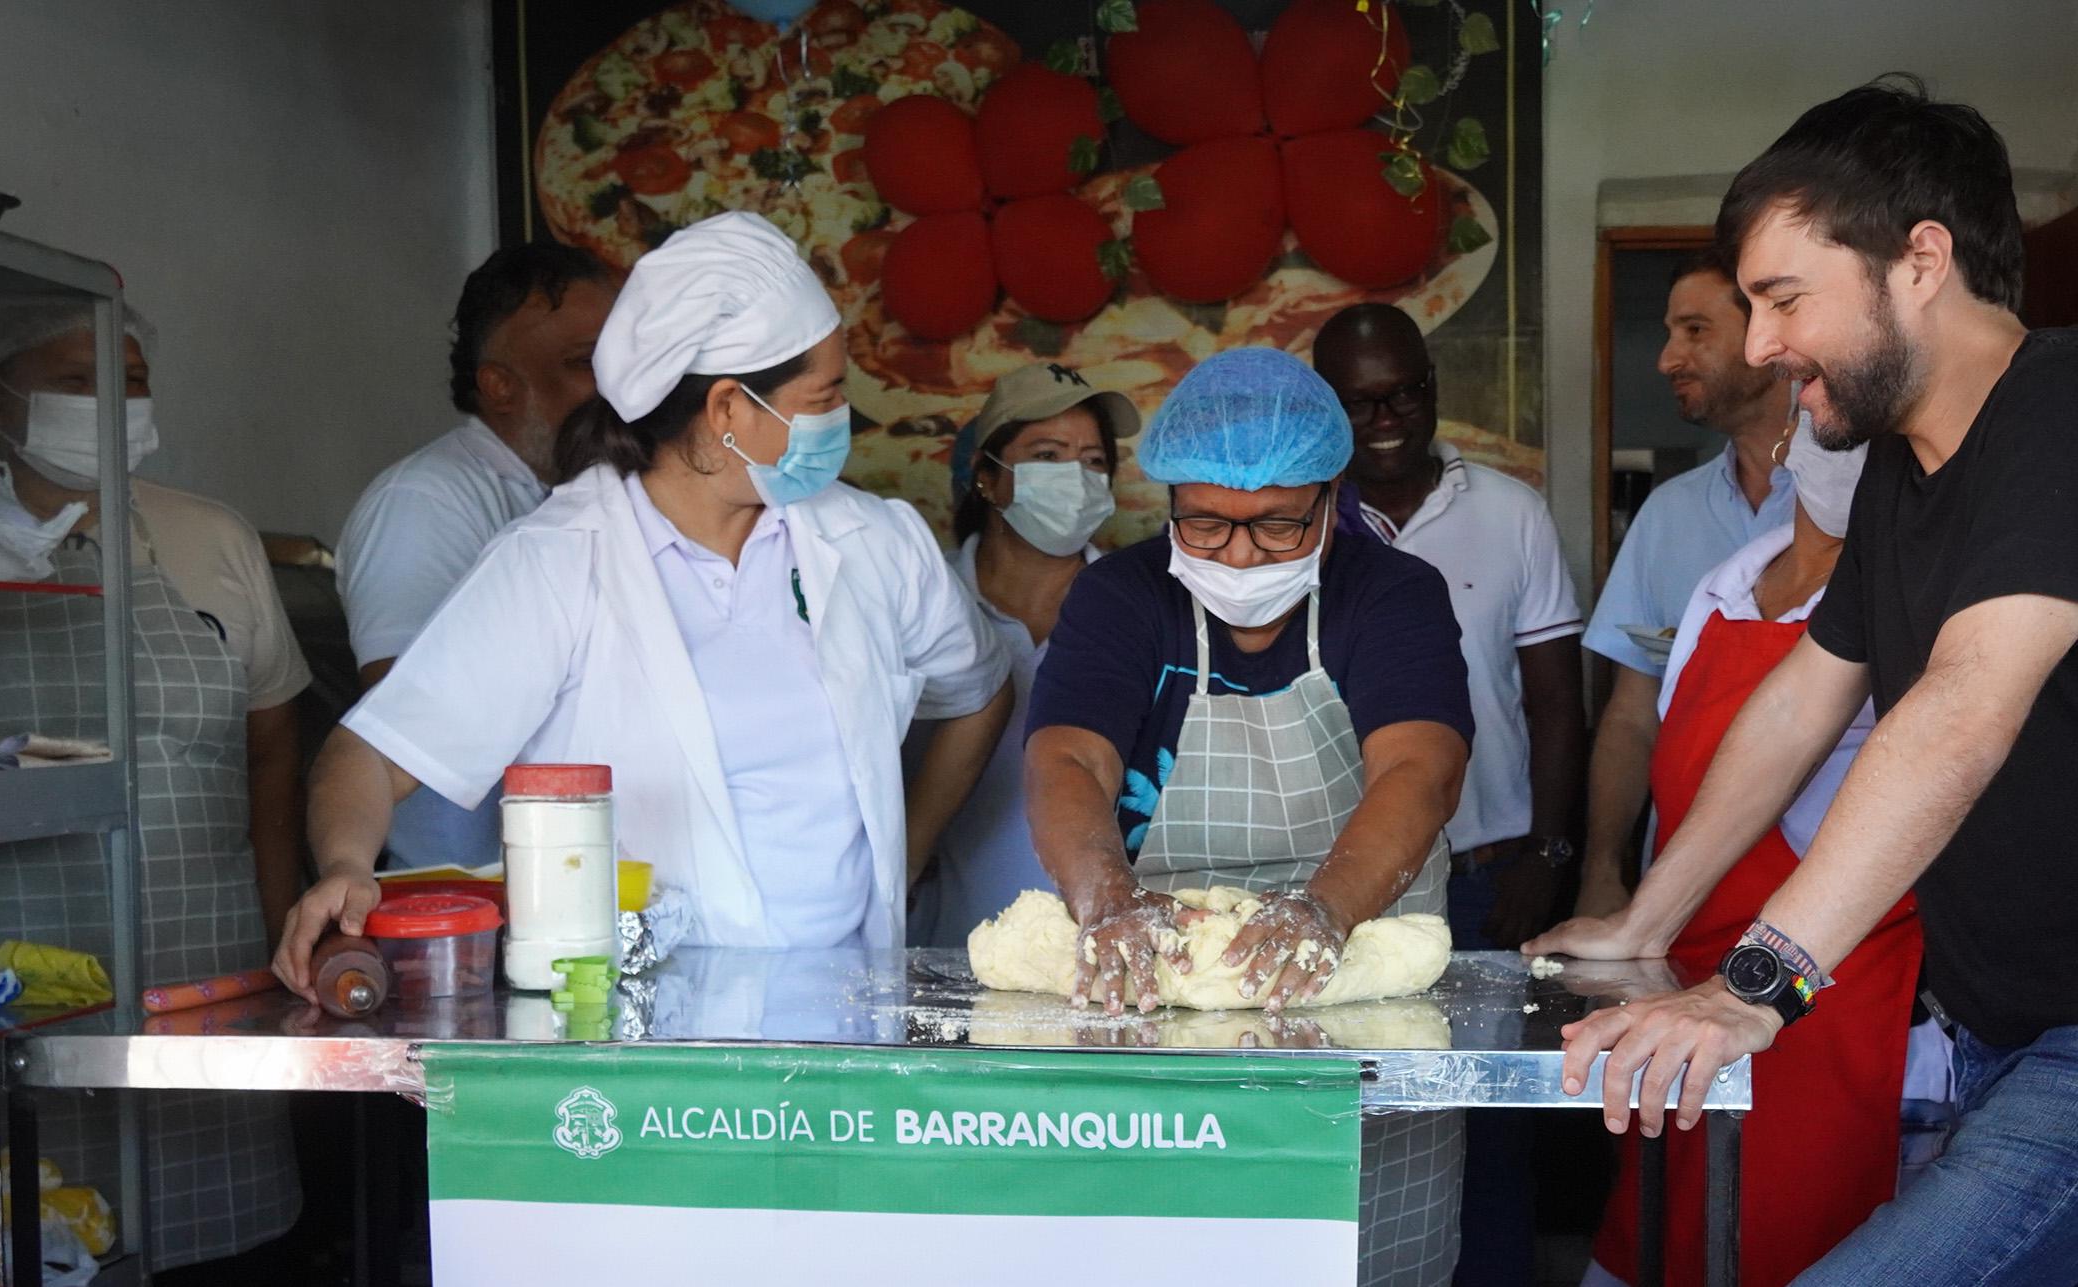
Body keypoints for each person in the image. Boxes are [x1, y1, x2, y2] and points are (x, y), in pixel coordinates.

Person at [1542, 80, 2078, 1284]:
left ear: (1919, 261)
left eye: (1783, 299)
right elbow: (1804, 696)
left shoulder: (2070, 400)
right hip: (2012, 1022)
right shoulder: (1903, 471)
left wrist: (1754, 989)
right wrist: (1645, 919)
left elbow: (1957, 712)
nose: (1757, 346)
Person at [274, 212, 1013, 989]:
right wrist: (347, 863)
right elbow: (367, 755)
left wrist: (909, 849)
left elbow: (978, 687)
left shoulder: (872, 540)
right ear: (727, 410)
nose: (840, 418)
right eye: (823, 393)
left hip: (845, 1028)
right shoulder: (560, 561)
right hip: (638, 1035)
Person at [1023, 347, 1474, 1286]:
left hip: (1363, 1007)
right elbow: (1067, 756)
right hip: (1162, 999)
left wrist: (1319, 913)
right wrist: (1105, 900)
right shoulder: (1122, 596)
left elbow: (1418, 772)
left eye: (1275, 526)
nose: (1235, 554)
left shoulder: (1391, 595)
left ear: (1329, 494)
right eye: (1206, 524)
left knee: (1367, 1257)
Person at [1539, 415, 1933, 1287]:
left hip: (1827, 982)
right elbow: (1686, 771)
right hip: (1685, 962)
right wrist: (1639, 920)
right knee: (1663, 1219)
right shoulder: (1728, 583)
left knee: (1783, 1231)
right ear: (1787, 443)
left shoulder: (1910, 597)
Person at [0, 294, 308, 1276]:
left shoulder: (209, 536)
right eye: (78, 380)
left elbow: (273, 746)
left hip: (209, 971)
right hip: (30, 984)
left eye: (133, 379)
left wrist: (279, 933)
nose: (112, 400)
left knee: (225, 1247)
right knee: (49, 1230)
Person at [1313, 302, 1583, 1287]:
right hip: (1339, 895)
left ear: (1432, 387)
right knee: (1351, 1127)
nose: (1388, 419)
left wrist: (1544, 857)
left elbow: (1555, 702)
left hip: (1484, 883)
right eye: (1360, 402)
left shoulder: (1509, 512)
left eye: (1407, 393)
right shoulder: (1295, 523)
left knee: (1492, 1133)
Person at [336, 243, 618, 869]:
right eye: (584, 363)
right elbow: (402, 714)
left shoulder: (587, 493)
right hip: (469, 889)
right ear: (499, 387)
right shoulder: (426, 499)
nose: (615, 385)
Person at [1576, 261, 1797, 920]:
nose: (1668, 358)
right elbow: (1629, 715)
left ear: (1767, 332)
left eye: (1695, 329)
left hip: (1831, 879)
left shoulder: (1860, 496)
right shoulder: (1667, 513)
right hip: (1680, 892)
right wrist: (1601, 869)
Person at [907, 362, 1140, 948]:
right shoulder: (924, 602)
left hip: (1094, 953)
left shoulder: (1136, 614)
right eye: (1047, 454)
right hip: (934, 944)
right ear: (988, 475)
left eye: (1093, 461)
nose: (1076, 477)